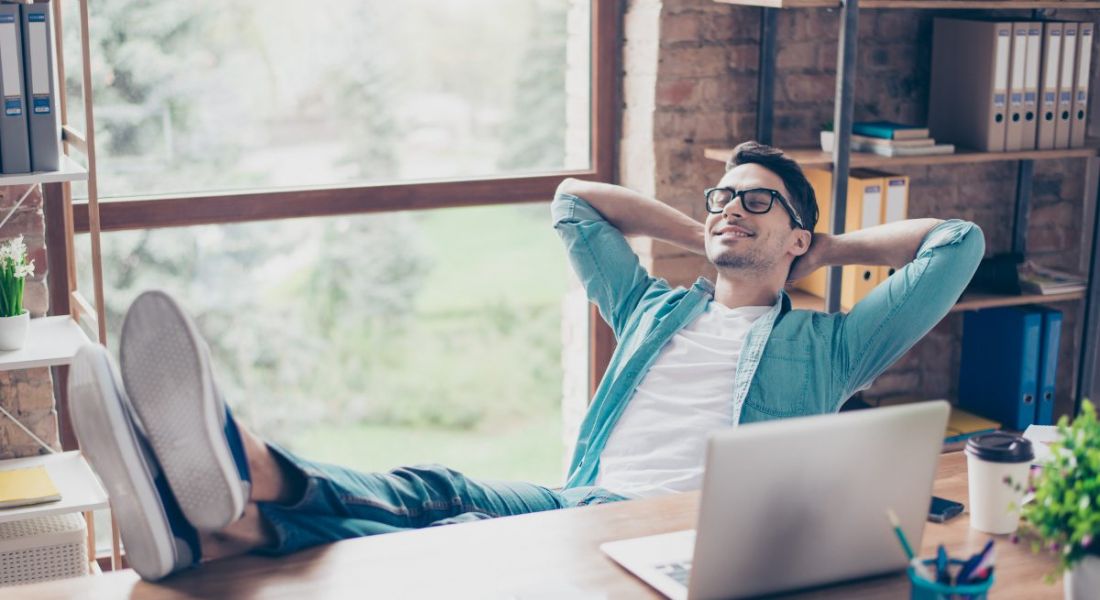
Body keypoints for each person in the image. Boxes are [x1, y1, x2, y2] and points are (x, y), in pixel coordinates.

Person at [69, 141, 984, 580]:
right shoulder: (654, 307)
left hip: (670, 534)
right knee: (435, 505)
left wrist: (818, 256)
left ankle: (237, 464)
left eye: (755, 201)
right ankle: (222, 528)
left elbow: (959, 242)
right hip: (582, 500)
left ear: (799, 236)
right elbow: (572, 202)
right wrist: (702, 231)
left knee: (442, 515)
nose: (729, 208)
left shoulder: (830, 345)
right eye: (720, 196)